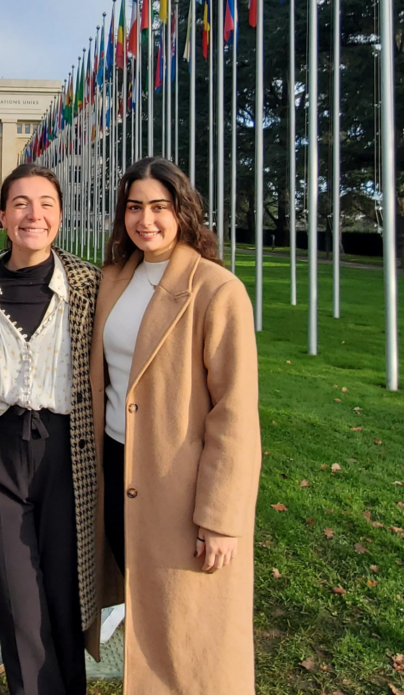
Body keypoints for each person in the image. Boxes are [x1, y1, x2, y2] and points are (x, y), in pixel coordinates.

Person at [90, 157, 261, 695]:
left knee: (187, 628)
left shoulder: (217, 289)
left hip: (181, 486)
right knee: (143, 606)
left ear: (183, 213)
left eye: (160, 207)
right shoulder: (114, 278)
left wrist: (221, 518)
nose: (147, 220)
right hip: (117, 468)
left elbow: (235, 412)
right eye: (135, 207)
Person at [0, 163, 100, 695]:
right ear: (2, 215)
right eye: (22, 204)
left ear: (59, 214)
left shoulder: (88, 283)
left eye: (46, 204)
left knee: (65, 594)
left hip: (67, 455)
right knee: (14, 598)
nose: (34, 214)